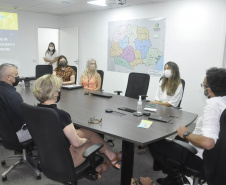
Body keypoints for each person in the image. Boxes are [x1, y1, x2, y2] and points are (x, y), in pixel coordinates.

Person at [33, 74, 122, 177]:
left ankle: (110, 156)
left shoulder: (35, 110)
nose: (59, 92)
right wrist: (86, 141)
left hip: (47, 156)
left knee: (86, 132)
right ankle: (101, 166)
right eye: (58, 89)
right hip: (65, 161)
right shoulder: (61, 115)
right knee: (92, 143)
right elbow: (76, 143)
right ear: (54, 93)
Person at [148, 67, 226, 185]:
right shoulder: (223, 101)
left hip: (199, 158)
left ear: (209, 90)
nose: (203, 87)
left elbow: (208, 143)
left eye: (203, 85)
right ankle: (173, 176)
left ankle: (176, 178)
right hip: (217, 159)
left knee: (154, 142)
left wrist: (186, 133)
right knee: (176, 139)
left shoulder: (213, 107)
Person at [0, 63, 31, 143]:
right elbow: (25, 117)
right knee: (46, 126)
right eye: (16, 74)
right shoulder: (11, 95)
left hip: (3, 133)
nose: (18, 77)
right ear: (8, 77)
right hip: (15, 134)